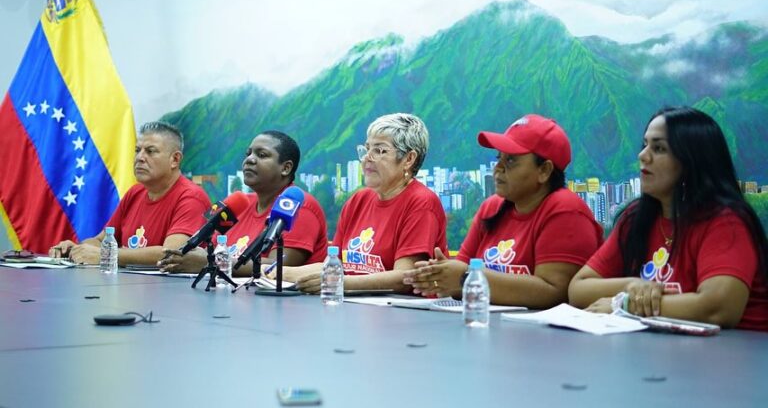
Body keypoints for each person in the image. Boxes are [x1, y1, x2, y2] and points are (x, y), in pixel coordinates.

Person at [569, 107, 768, 331]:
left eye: (659, 148)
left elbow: (719, 309)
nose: (643, 156)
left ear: (692, 161)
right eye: (644, 145)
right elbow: (578, 289)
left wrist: (624, 304)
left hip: (736, 356)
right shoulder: (635, 218)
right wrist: (634, 286)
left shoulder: (725, 222)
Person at [403, 114, 603, 308]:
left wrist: (464, 278)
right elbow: (460, 275)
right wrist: (440, 275)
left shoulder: (566, 211)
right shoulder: (492, 207)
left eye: (511, 161)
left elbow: (555, 292)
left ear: (544, 170)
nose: (497, 168)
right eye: (499, 158)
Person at [278, 113, 447, 293]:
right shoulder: (358, 200)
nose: (367, 158)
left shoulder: (421, 203)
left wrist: (337, 283)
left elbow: (405, 277)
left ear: (408, 159)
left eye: (380, 150)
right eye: (366, 149)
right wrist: (277, 273)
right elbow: (333, 265)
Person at [158, 130, 327, 275]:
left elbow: (280, 267)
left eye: (261, 155)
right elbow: (208, 247)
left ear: (286, 168)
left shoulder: (300, 207)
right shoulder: (238, 204)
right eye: (248, 154)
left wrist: (210, 262)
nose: (249, 160)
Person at [49, 121, 211, 266]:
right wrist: (76, 250)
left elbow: (172, 254)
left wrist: (107, 255)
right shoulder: (135, 192)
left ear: (175, 159)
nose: (140, 157)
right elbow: (101, 241)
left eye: (150, 151)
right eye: (137, 150)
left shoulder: (191, 197)